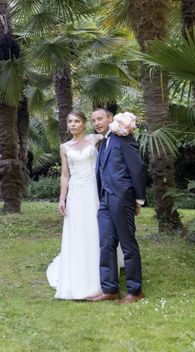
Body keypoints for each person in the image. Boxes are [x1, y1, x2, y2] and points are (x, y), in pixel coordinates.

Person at [88, 108, 146, 304]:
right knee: (106, 243)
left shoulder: (123, 138)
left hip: (122, 197)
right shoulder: (103, 143)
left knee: (128, 244)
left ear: (110, 119)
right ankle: (110, 289)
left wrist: (138, 199)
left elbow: (136, 168)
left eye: (100, 118)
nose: (96, 122)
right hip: (104, 199)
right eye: (93, 120)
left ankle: (135, 291)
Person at [46, 112, 105, 300]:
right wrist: (62, 197)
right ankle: (77, 275)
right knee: (77, 231)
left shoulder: (95, 139)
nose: (73, 124)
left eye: (77, 121)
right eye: (70, 121)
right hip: (76, 193)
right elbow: (65, 174)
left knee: (94, 230)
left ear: (84, 123)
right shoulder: (65, 147)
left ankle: (99, 276)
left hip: (93, 192)